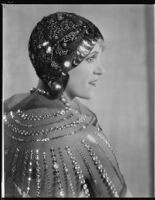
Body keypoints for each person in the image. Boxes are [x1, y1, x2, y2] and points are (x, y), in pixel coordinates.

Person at [3, 12, 131, 197]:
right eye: (90, 58)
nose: (101, 70)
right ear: (62, 63)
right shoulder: (84, 136)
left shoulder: (8, 109)